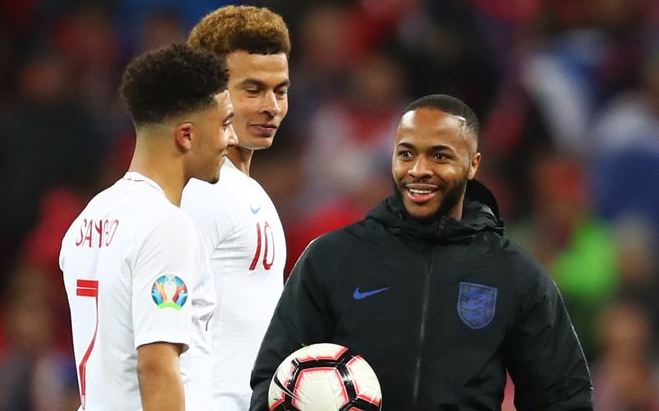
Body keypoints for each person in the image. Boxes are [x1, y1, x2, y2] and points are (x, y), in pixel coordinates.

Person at [250, 94, 593, 410]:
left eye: (439, 155)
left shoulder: (514, 273)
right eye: (407, 153)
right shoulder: (331, 258)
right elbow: (273, 382)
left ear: (473, 165)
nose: (418, 170)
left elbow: (563, 397)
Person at [59, 43, 237, 411]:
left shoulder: (87, 220)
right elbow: (156, 367)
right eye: (224, 124)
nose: (231, 139)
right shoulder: (166, 228)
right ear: (186, 135)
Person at [179, 5, 291, 411]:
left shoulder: (244, 191)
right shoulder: (199, 190)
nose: (271, 107)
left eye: (280, 90)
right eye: (253, 89)